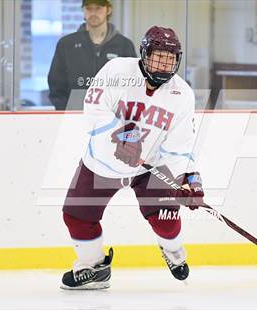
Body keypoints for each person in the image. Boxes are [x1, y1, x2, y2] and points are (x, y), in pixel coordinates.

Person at [60, 26, 205, 290]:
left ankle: (174, 253)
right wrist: (120, 133)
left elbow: (180, 143)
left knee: (166, 217)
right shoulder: (117, 71)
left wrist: (188, 179)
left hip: (148, 166)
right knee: (76, 216)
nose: (164, 64)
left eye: (170, 58)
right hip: (102, 162)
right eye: (158, 56)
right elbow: (93, 109)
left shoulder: (182, 94)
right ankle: (93, 267)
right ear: (144, 54)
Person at [48, 0, 136, 110]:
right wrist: (66, 111)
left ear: (108, 10)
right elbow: (55, 84)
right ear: (83, 10)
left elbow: (133, 83)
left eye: (98, 8)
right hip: (74, 115)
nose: (93, 13)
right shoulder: (66, 44)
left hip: (113, 115)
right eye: (89, 8)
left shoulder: (124, 45)